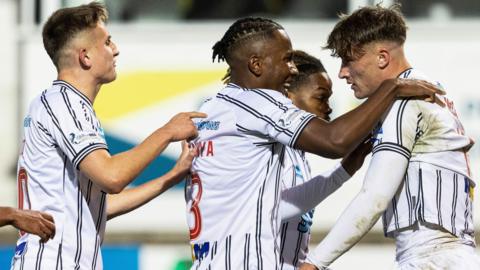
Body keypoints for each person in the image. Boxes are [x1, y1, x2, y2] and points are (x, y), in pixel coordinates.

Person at [185, 17, 443, 269]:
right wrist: (391, 87)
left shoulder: (214, 109)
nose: (293, 68)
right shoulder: (256, 103)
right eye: (286, 59)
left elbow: (274, 207)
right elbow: (335, 141)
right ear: (256, 64)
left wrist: (342, 172)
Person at [11, 2, 204, 270]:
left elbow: (99, 207)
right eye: (108, 42)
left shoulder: (58, 103)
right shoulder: (65, 103)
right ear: (85, 56)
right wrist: (167, 132)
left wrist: (172, 175)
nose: (116, 49)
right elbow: (112, 177)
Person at [302, 4, 479, 270]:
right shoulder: (426, 89)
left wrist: (314, 263)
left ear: (382, 57)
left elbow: (374, 196)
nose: (342, 72)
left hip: (432, 258)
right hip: (451, 254)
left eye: (348, 60)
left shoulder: (404, 101)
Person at [278, 50, 371, 269]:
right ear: (287, 97)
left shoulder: (297, 154)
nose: (329, 108)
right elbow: (273, 211)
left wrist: (345, 169)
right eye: (321, 97)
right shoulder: (268, 149)